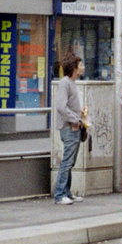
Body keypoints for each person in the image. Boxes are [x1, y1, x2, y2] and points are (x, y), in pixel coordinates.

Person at [53, 53, 87, 205]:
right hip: (70, 127)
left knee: (70, 161)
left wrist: (80, 114)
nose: (83, 67)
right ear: (74, 68)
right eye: (80, 65)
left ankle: (67, 192)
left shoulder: (71, 83)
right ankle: (59, 195)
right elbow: (61, 106)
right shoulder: (65, 83)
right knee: (67, 162)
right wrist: (76, 119)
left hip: (74, 126)